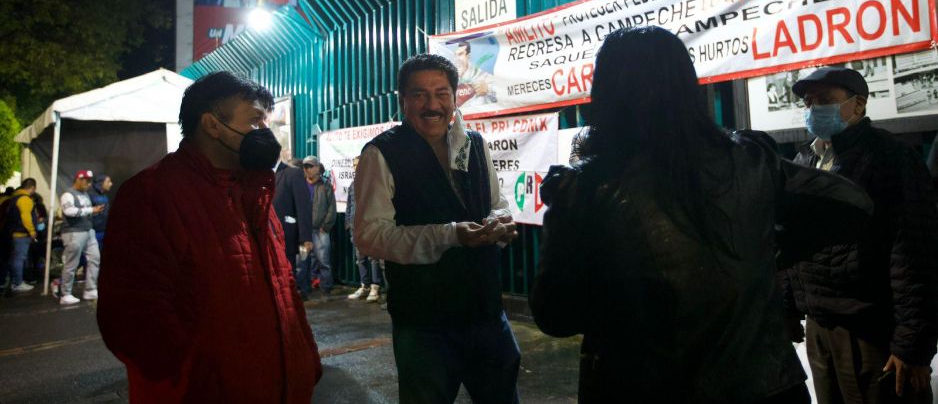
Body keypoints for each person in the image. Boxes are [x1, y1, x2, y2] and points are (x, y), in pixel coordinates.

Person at [529, 27, 874, 404]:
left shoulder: (587, 189)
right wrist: (768, 252)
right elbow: (853, 203)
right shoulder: (749, 159)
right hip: (768, 388)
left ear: (607, 94)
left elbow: (556, 316)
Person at [97, 71, 322, 403]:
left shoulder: (254, 192)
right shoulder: (152, 193)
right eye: (255, 121)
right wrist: (200, 379)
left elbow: (284, 285)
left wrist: (306, 362)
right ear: (213, 125)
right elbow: (133, 315)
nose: (264, 133)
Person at [355, 53, 521, 404]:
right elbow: (369, 235)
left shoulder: (475, 144)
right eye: (419, 95)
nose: (432, 105)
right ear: (402, 100)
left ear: (455, 96)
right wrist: (451, 234)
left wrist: (499, 222)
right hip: (424, 323)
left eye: (442, 93)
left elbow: (497, 202)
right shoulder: (381, 153)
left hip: (486, 313)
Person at [785, 66, 938, 404]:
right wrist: (788, 307)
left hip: (873, 331)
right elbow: (794, 242)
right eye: (809, 102)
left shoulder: (890, 158)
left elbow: (915, 253)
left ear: (859, 105)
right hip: (821, 328)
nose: (814, 109)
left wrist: (912, 346)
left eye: (825, 100)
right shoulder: (805, 160)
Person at [59, 170, 104, 305]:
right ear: (78, 180)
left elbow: (83, 211)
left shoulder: (84, 194)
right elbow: (69, 211)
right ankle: (65, 294)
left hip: (88, 231)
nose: (88, 183)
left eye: (89, 181)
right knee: (71, 263)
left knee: (95, 258)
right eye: (86, 180)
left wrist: (93, 212)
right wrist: (92, 210)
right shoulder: (68, 194)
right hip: (73, 232)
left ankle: (90, 289)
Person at [297, 156, 335, 301]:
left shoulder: (325, 185)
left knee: (324, 261)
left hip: (320, 230)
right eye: (305, 167)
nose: (307, 169)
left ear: (318, 168)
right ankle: (304, 290)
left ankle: (326, 290)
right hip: (304, 231)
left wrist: (325, 226)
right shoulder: (299, 184)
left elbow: (332, 208)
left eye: (310, 166)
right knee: (302, 262)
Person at [346, 155, 383, 302]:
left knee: (373, 258)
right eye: (354, 165)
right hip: (356, 228)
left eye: (358, 164)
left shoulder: (374, 183)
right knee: (360, 258)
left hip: (370, 227)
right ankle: (364, 285)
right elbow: (349, 206)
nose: (355, 167)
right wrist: (349, 224)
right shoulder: (352, 185)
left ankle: (376, 287)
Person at [273, 158, 313, 273]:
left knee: (288, 272)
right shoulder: (259, 174)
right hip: (264, 236)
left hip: (286, 235)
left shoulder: (292, 173)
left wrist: (306, 237)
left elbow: (303, 206)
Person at [3, 178, 39, 292]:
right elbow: (26, 217)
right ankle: (17, 283)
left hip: (13, 232)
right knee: (19, 259)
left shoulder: (15, 198)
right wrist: (32, 231)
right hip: (21, 234)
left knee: (14, 258)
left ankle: (13, 281)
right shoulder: (25, 199)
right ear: (32, 187)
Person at [452, 41, 495, 108]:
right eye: (455, 55)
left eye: (460, 54)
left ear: (468, 56)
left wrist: (488, 89)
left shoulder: (481, 76)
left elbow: (502, 91)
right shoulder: (450, 79)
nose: (457, 59)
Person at [89, 174, 112, 249]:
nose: (111, 184)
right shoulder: (90, 194)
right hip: (93, 231)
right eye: (108, 182)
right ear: (101, 182)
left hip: (103, 229)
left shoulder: (104, 195)